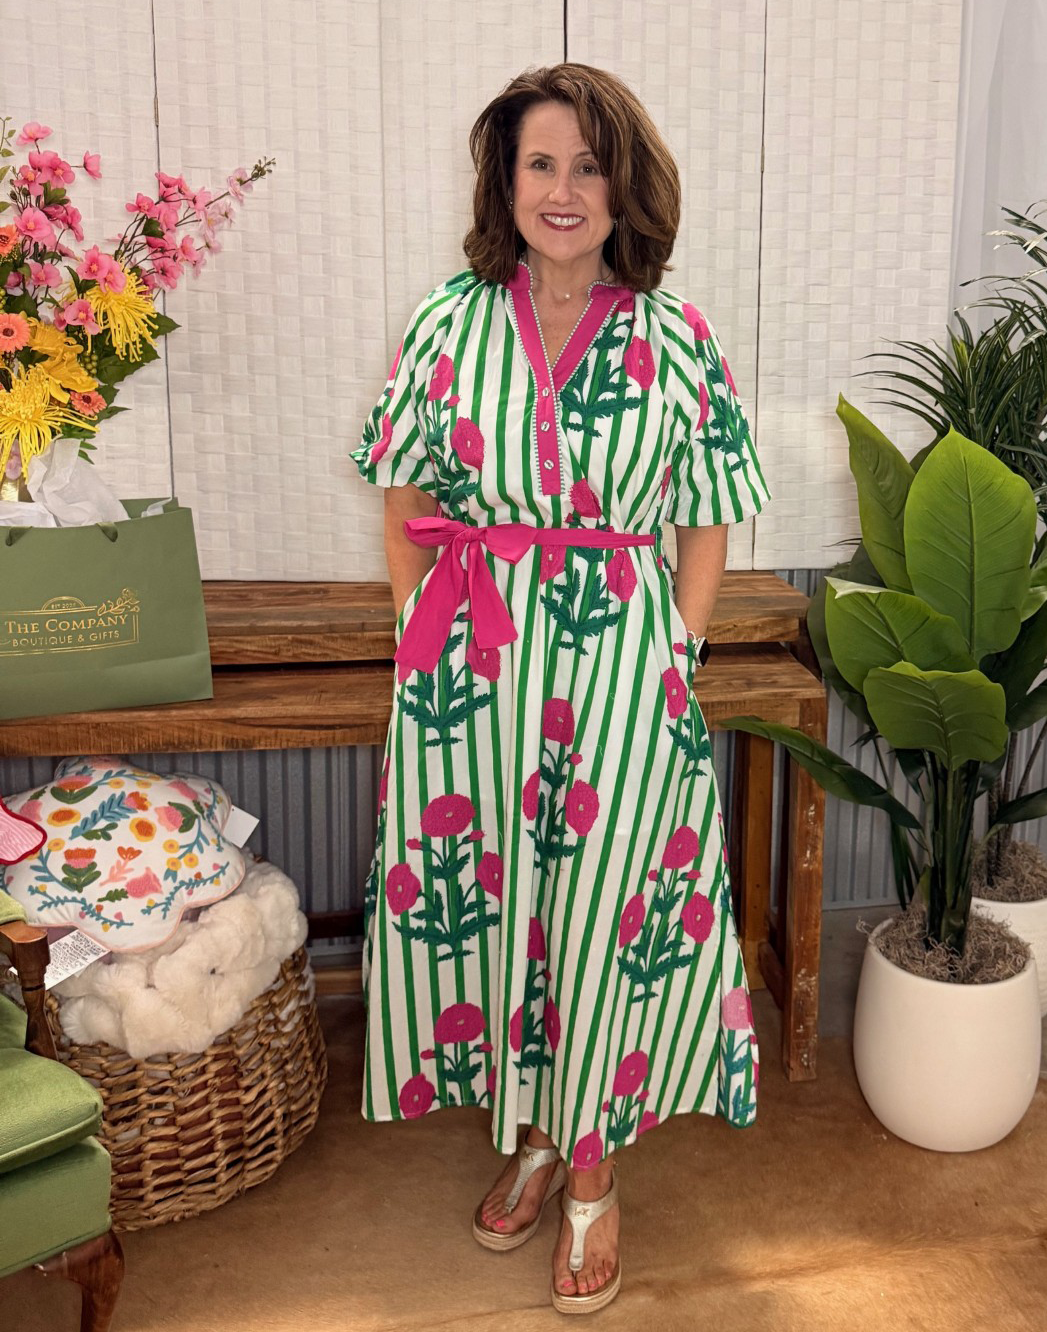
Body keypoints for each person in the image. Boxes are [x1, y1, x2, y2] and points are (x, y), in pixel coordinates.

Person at [351, 62, 769, 1316]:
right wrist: (420, 639)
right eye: (541, 163)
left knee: (599, 916)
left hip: (622, 661)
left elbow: (708, 516)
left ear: (624, 185)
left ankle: (591, 1171)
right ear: (506, 180)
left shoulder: (677, 336)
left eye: (590, 165)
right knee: (506, 912)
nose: (565, 189)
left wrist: (676, 653)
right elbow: (404, 489)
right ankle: (535, 1131)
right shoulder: (448, 320)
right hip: (473, 666)